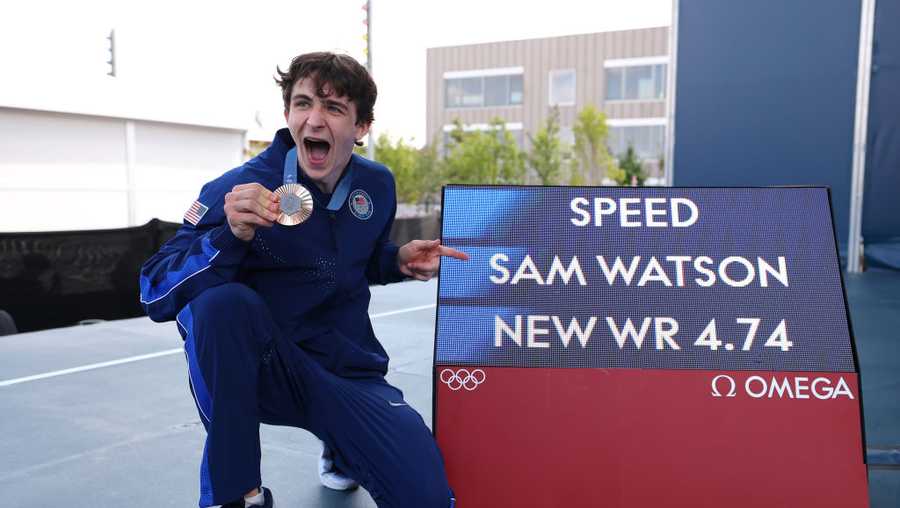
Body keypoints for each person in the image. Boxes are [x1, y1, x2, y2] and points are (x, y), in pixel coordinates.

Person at [139, 51, 467, 508]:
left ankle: (342, 447)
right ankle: (236, 494)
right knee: (219, 305)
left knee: (428, 498)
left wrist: (395, 261)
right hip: (268, 368)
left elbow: (351, 263)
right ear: (288, 113)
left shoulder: (377, 185)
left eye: (334, 108)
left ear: (361, 127)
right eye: (303, 103)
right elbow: (154, 289)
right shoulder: (238, 189)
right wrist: (228, 235)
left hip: (346, 370)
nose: (314, 119)